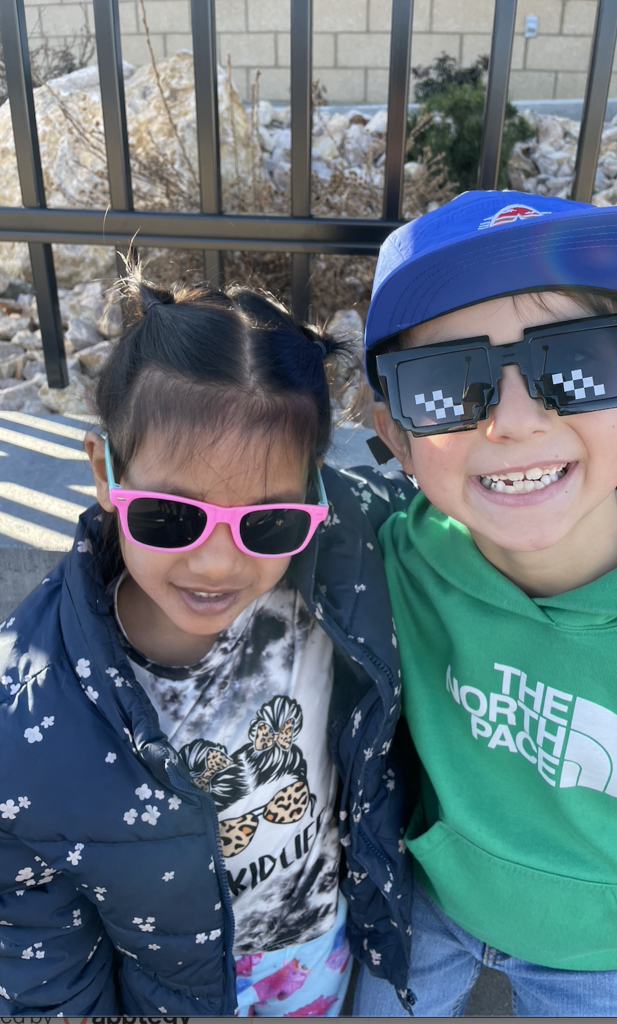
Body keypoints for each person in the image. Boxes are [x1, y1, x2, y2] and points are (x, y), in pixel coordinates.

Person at [354, 190, 617, 1017]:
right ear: (395, 437)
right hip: (433, 899)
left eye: (575, 365)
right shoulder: (400, 557)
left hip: (598, 945)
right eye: (443, 384)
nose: (512, 420)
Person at [0, 276, 416, 1016]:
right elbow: (37, 941)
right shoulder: (31, 709)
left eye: (268, 524)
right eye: (168, 517)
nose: (218, 563)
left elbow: (485, 519)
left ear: (314, 498)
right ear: (104, 473)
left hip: (328, 961)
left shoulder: (346, 556)